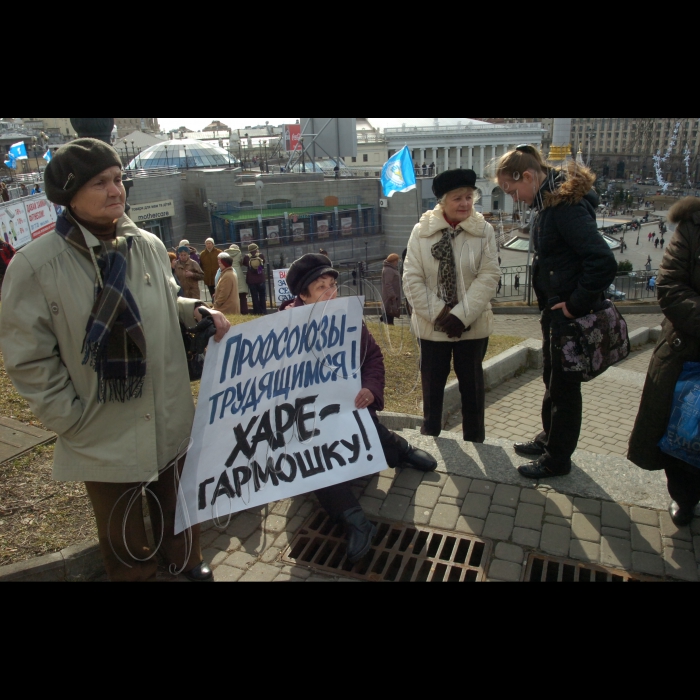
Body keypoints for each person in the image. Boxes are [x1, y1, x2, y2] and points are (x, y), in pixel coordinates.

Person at [0, 138, 231, 582]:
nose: (116, 190)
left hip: (167, 411)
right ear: (70, 195)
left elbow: (164, 298)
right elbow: (28, 359)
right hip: (100, 425)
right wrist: (70, 418)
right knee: (122, 533)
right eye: (100, 182)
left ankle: (184, 562)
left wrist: (196, 310)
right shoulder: (34, 266)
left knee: (178, 505)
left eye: (118, 179)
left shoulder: (145, 243)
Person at [285, 254, 437, 563]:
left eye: (333, 286)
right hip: (309, 421)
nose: (331, 293)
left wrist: (370, 388)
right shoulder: (283, 330)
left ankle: (400, 451)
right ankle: (354, 520)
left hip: (347, 407)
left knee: (365, 426)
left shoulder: (347, 318)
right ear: (302, 296)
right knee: (314, 459)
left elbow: (372, 358)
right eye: (321, 288)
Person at [495, 145, 617, 479]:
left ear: (529, 176)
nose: (514, 198)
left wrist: (575, 303)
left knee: (564, 389)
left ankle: (557, 460)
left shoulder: (564, 207)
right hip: (557, 314)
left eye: (512, 189)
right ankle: (548, 440)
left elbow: (603, 261)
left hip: (570, 317)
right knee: (553, 379)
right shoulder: (549, 201)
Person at [403, 169, 500, 443]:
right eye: (458, 198)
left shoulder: (483, 231)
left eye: (469, 197)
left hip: (473, 326)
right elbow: (411, 280)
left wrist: (461, 316)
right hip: (432, 328)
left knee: (473, 387)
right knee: (432, 388)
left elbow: (489, 275)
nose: (465, 204)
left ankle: (475, 441)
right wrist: (442, 315)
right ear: (442, 202)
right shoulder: (421, 232)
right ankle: (430, 439)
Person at [629, 197, 700, 527]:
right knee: (680, 434)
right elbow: (670, 285)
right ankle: (685, 499)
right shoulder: (693, 225)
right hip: (688, 351)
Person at [243, 243, 267, 315]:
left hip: (251, 280)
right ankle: (263, 311)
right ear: (257, 249)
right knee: (262, 295)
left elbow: (244, 263)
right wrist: (258, 269)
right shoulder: (260, 255)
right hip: (260, 279)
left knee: (254, 296)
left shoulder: (247, 257)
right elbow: (263, 264)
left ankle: (256, 311)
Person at [226, 244, 249, 315]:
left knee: (232, 295)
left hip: (229, 271)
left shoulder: (226, 254)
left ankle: (235, 312)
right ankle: (244, 311)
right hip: (238, 272)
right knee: (242, 294)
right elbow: (241, 262)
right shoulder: (239, 253)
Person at [381, 253, 401, 325]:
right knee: (389, 312)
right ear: (394, 261)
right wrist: (393, 295)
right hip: (390, 298)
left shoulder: (391, 269)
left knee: (390, 313)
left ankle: (384, 319)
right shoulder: (389, 270)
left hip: (392, 297)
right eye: (396, 261)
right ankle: (384, 320)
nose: (397, 263)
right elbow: (388, 284)